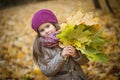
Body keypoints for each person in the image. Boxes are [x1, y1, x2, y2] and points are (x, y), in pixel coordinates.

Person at [31, 9, 89, 80]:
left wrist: (76, 55)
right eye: (42, 30)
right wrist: (61, 56)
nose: (46, 31)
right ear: (39, 33)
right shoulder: (41, 48)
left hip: (78, 77)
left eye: (48, 26)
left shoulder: (69, 36)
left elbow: (85, 60)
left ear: (54, 24)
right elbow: (47, 71)